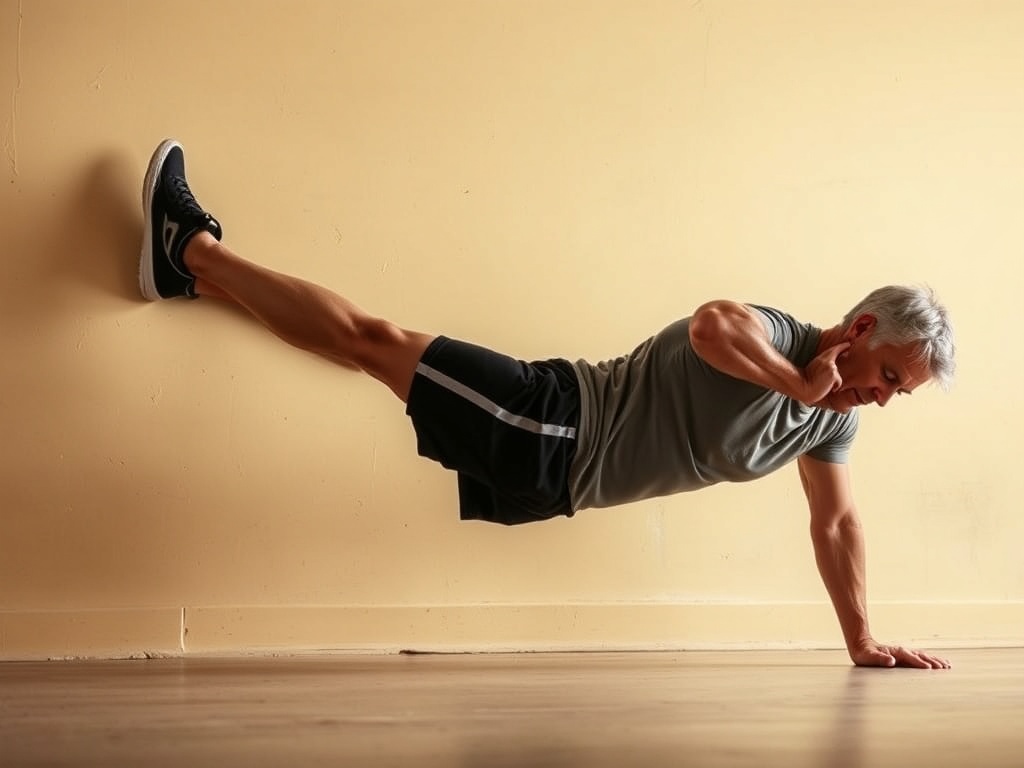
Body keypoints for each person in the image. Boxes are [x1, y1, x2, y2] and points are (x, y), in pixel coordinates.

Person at [139, 139, 956, 670]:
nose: (880, 400)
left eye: (897, 395)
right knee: (371, 340)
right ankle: (193, 252)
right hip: (555, 416)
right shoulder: (776, 340)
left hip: (555, 478)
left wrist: (861, 641)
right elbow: (710, 326)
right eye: (887, 377)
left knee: (368, 347)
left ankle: (192, 264)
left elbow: (837, 522)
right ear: (859, 329)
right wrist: (797, 380)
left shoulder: (830, 420)